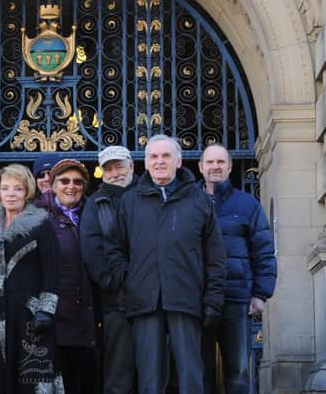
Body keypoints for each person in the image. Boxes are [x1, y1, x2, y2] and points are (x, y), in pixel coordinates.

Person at [106, 135, 226, 393]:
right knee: (150, 380)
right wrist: (127, 281)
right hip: (144, 300)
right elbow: (115, 249)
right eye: (153, 157)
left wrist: (213, 299)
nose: (159, 161)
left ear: (179, 161)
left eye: (166, 156)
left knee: (191, 377)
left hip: (186, 298)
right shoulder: (130, 201)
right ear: (146, 164)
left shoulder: (200, 201)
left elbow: (215, 257)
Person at [0, 164, 63, 393]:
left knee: (29, 380)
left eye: (17, 188)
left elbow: (53, 268)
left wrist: (46, 310)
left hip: (30, 316)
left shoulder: (40, 223)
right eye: (5, 188)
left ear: (27, 191)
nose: (11, 194)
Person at [198, 143, 277, 394]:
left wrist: (260, 294)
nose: (215, 167)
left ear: (230, 167)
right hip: (197, 299)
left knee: (238, 373)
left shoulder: (247, 205)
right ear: (200, 167)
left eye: (221, 162)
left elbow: (263, 250)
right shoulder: (189, 203)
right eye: (210, 162)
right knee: (200, 373)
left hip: (236, 299)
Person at [34, 159, 96, 394]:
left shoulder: (94, 212)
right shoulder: (38, 216)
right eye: (65, 181)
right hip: (55, 318)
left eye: (78, 181)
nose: (71, 186)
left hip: (90, 317)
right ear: (53, 184)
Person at [80, 146, 137, 394]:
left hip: (154, 300)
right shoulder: (95, 203)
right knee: (118, 373)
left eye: (119, 167)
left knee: (154, 371)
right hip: (116, 302)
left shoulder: (150, 195)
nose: (114, 173)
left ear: (132, 167)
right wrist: (113, 283)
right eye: (109, 169)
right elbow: (92, 249)